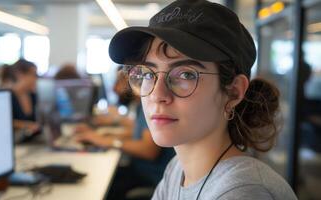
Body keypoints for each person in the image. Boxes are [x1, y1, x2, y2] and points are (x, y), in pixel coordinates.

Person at [107, 0, 298, 199]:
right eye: (148, 73)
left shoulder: (242, 192)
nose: (157, 95)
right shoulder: (178, 168)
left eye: (186, 75)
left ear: (233, 92)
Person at [75, 67, 175, 200]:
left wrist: (108, 141)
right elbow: (137, 132)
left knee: (100, 183)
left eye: (119, 83)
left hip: (149, 177)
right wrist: (104, 136)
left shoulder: (150, 106)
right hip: (139, 170)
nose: (115, 89)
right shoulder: (141, 105)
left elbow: (148, 150)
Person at [11, 59, 40, 138]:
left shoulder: (32, 95)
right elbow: (4, 121)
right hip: (16, 140)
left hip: (30, 139)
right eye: (33, 74)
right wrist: (26, 125)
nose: (35, 79)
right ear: (19, 74)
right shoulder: (9, 96)